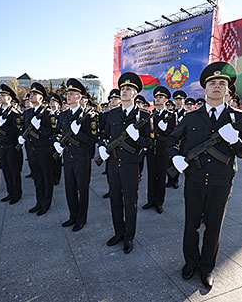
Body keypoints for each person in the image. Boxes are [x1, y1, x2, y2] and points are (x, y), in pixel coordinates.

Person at [167, 61, 242, 289]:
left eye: (221, 83)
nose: (217, 86)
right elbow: (171, 141)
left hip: (221, 182)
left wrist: (235, 141)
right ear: (205, 89)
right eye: (212, 83)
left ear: (228, 90)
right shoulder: (191, 117)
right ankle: (190, 263)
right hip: (194, 181)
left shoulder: (239, 118)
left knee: (214, 227)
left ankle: (207, 267)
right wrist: (176, 157)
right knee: (191, 225)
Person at [98, 72, 153, 254]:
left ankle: (129, 236)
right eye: (122, 88)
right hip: (113, 165)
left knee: (130, 202)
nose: (124, 91)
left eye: (128, 89)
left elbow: (150, 142)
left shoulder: (144, 115)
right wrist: (101, 147)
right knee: (114, 199)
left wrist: (138, 138)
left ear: (135, 93)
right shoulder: (112, 114)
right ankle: (118, 232)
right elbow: (104, 135)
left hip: (131, 166)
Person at [53, 78, 97, 232]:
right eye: (68, 93)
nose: (68, 96)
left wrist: (79, 134)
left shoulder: (87, 116)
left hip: (82, 157)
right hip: (68, 156)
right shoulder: (63, 115)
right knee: (69, 188)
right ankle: (73, 216)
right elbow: (56, 133)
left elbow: (92, 140)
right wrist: (56, 143)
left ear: (79, 97)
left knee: (82, 189)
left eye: (72, 94)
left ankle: (81, 219)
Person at [18, 82, 56, 216]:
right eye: (31, 94)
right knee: (37, 178)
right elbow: (25, 129)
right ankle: (39, 202)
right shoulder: (27, 113)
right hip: (31, 150)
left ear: (41, 98)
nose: (31, 96)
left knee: (46, 177)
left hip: (44, 150)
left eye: (35, 94)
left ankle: (46, 203)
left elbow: (52, 133)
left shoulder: (47, 113)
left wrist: (40, 128)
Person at [143, 86, 176, 214]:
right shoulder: (149, 115)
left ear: (166, 100)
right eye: (156, 97)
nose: (158, 99)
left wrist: (165, 130)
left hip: (163, 151)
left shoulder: (171, 116)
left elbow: (174, 135)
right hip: (151, 150)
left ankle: (159, 202)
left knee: (161, 177)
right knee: (151, 176)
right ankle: (150, 200)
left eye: (161, 97)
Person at [0, 84, 23, 204]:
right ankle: (10, 192)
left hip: (11, 146)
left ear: (10, 98)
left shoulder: (15, 113)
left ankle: (17, 193)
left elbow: (16, 132)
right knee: (6, 171)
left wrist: (3, 128)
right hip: (1, 145)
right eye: (0, 95)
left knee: (13, 171)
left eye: (3, 95)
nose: (1, 97)